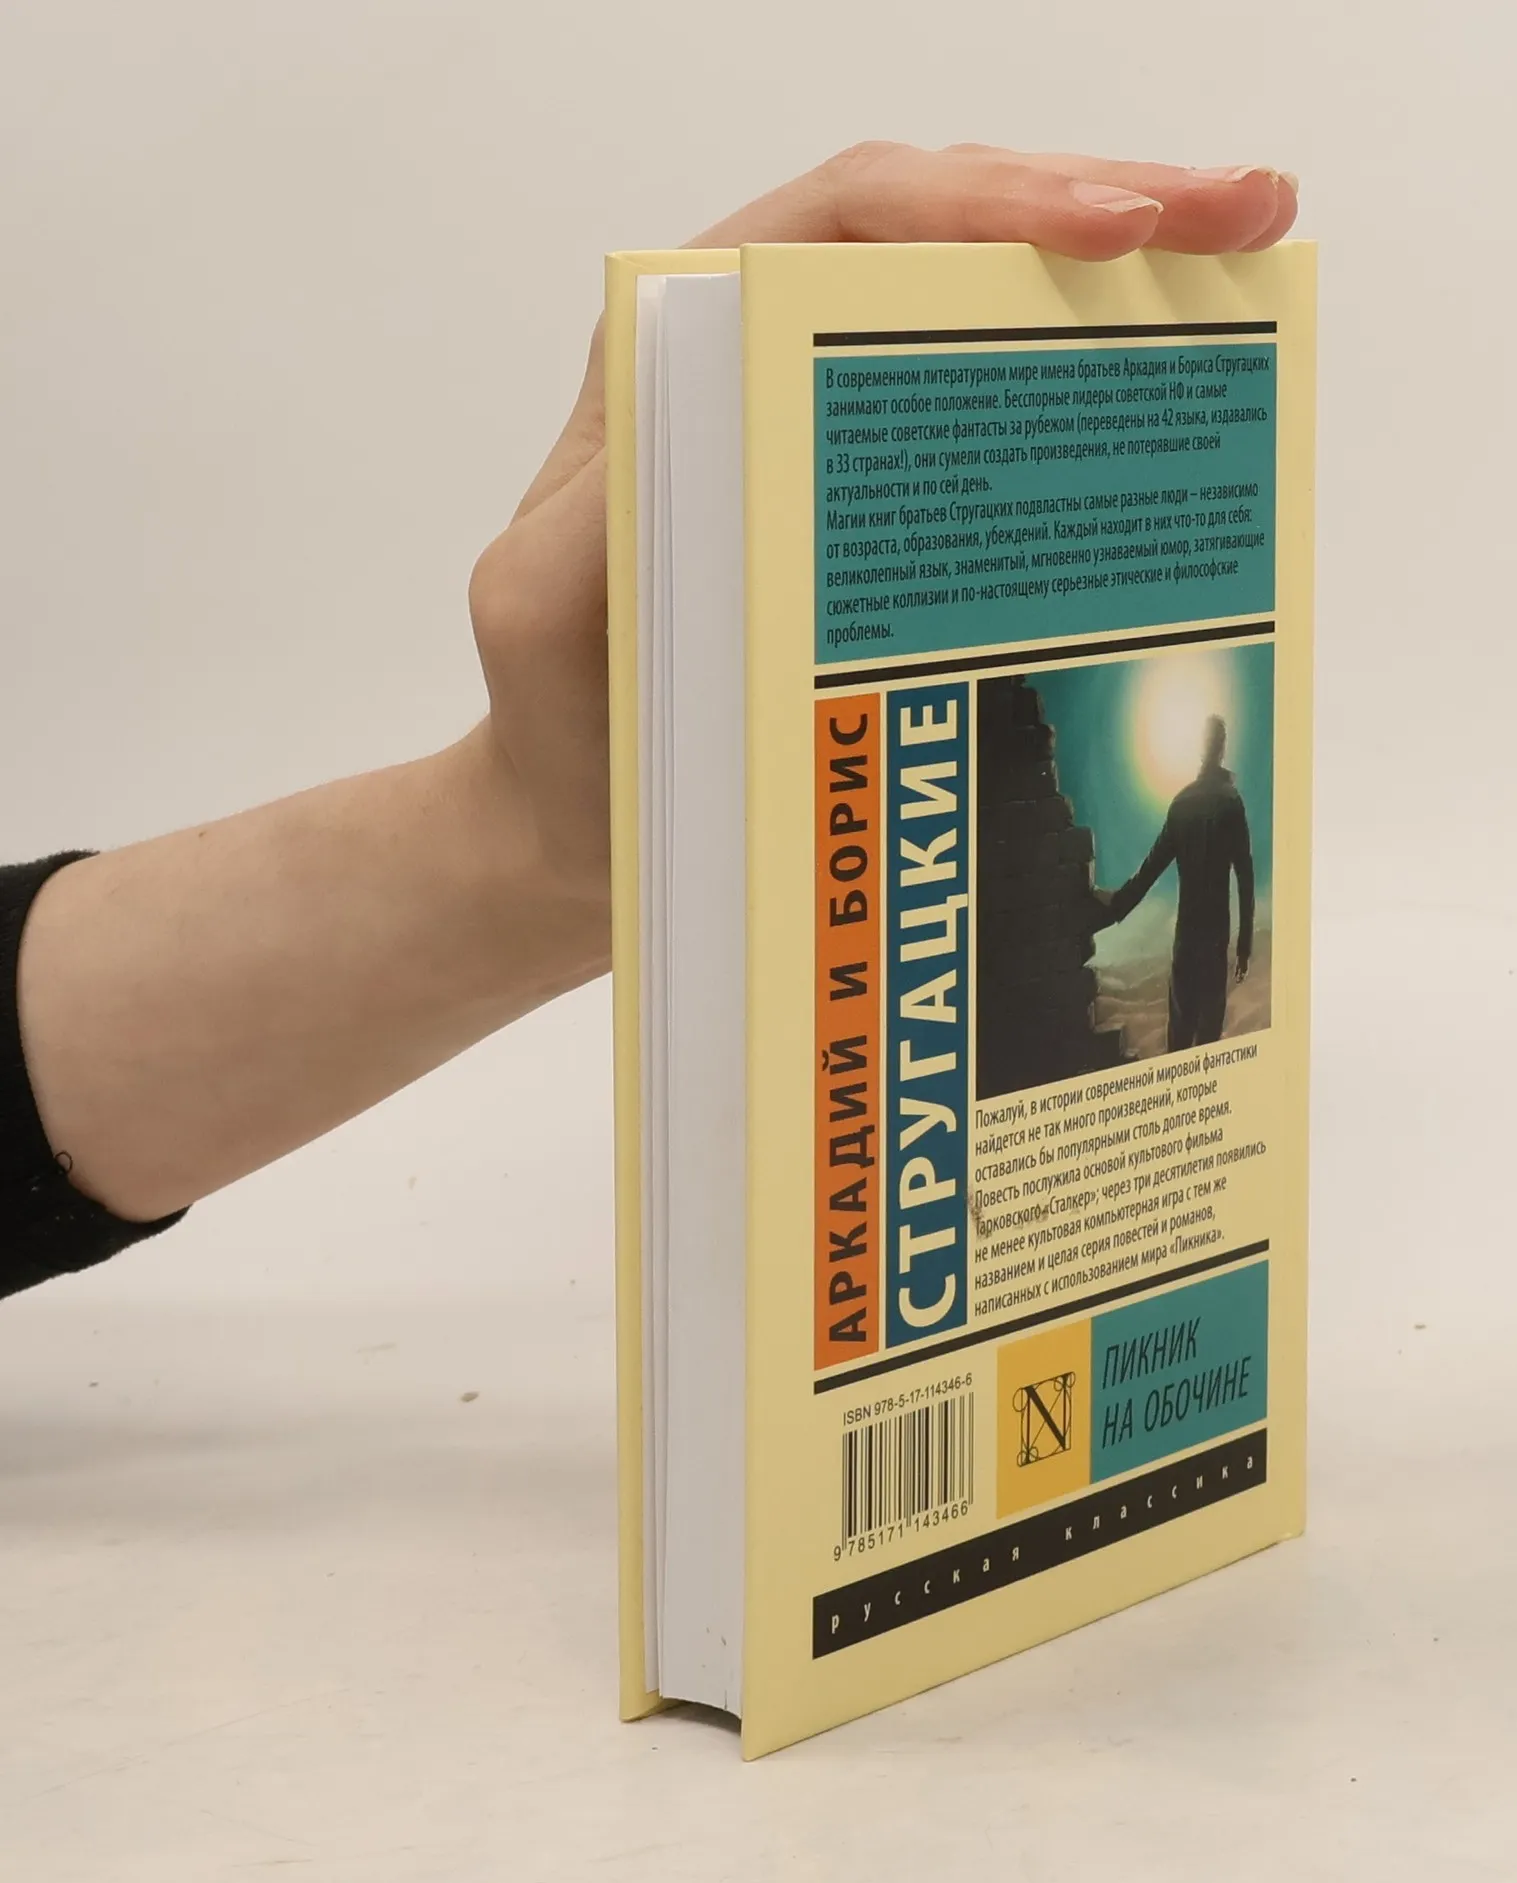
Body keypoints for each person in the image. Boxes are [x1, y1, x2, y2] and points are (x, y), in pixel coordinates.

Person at [0, 142, 1298, 1300]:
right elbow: (1167, 877)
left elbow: (1182, 878)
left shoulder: (1201, 802)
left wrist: (547, 848)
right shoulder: (1194, 801)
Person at [1099, 713, 1256, 1051]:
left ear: (1200, 748)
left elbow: (1149, 870)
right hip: (1214, 939)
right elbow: (1245, 878)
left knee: (1180, 1038)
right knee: (1208, 1039)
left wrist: (1116, 906)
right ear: (1222, 748)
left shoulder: (1181, 804)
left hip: (1186, 938)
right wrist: (1244, 946)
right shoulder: (1231, 802)